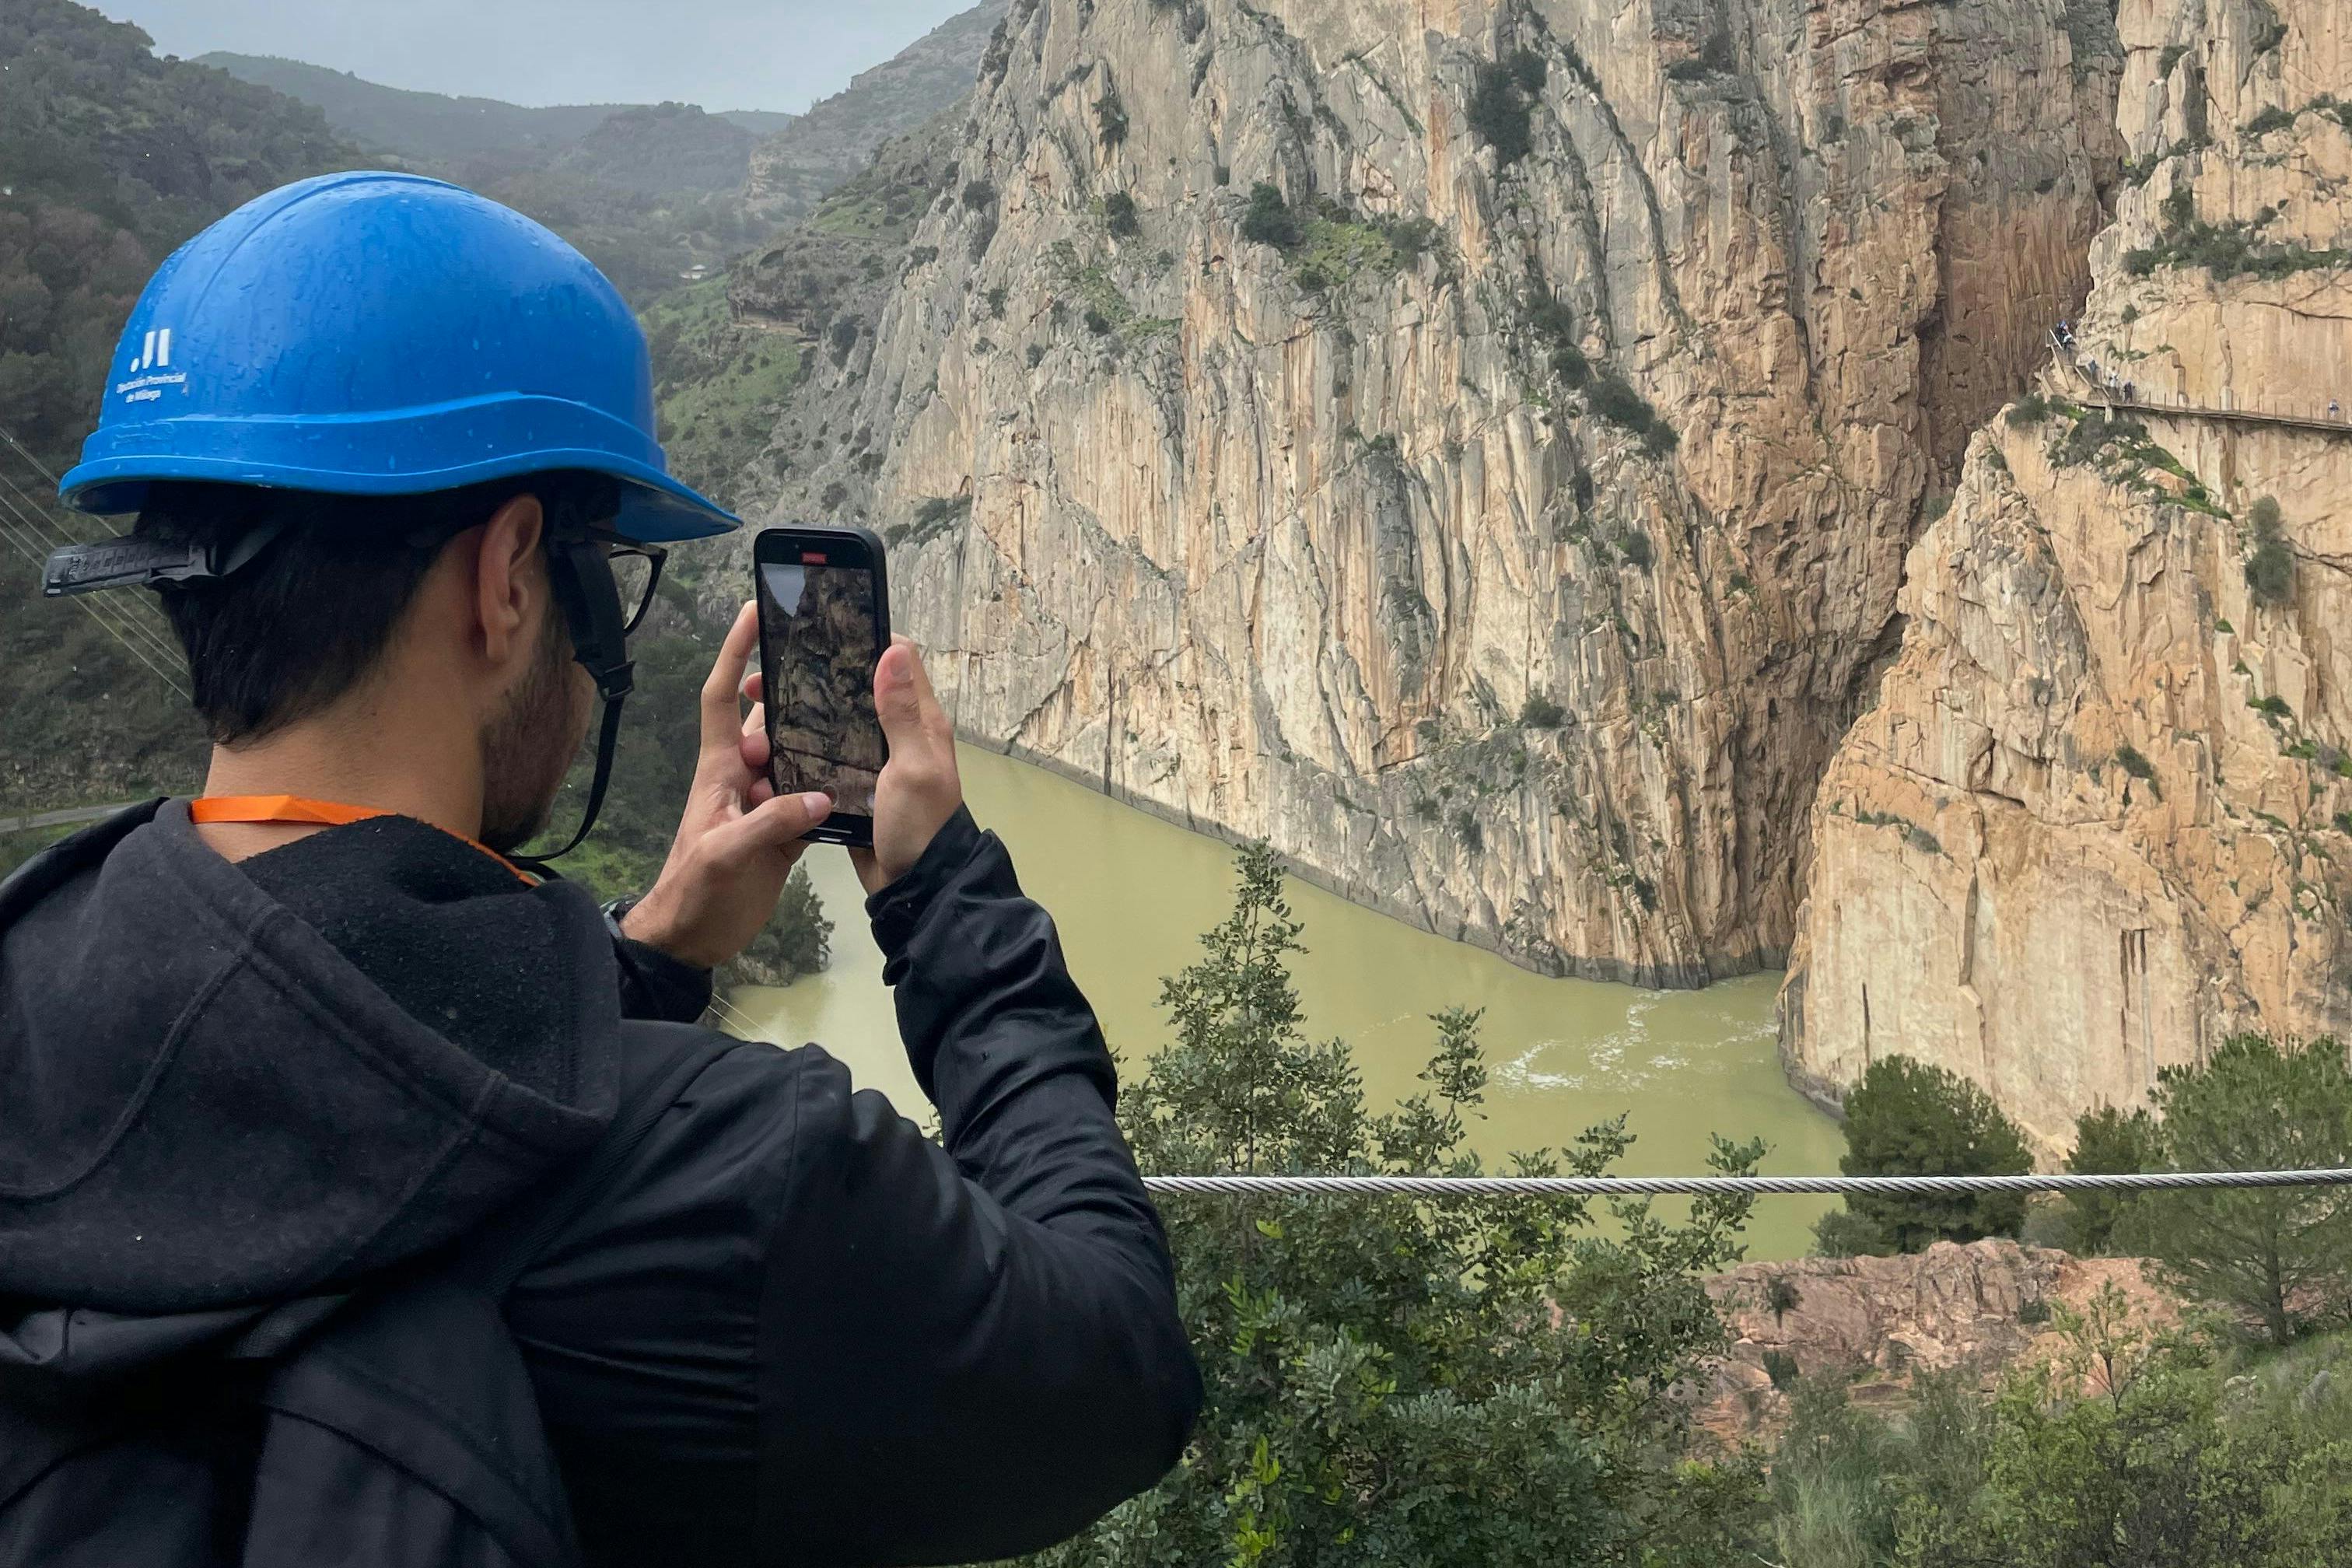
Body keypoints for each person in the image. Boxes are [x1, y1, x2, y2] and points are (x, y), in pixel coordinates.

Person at [0, 172, 1199, 1565]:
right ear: (510, 577)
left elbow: (325, 1079)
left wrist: (640, 965)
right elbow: (1116, 1372)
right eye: (605, 573)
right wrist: (942, 898)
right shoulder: (729, 1178)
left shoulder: (28, 990)